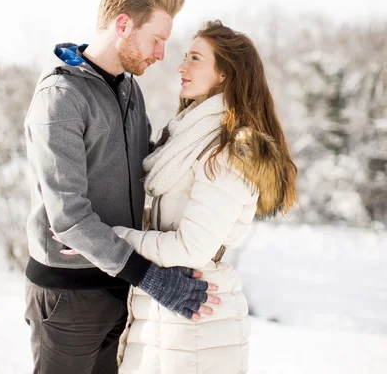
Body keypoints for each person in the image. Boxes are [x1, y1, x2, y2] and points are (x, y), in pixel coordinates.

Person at [59, 20, 298, 374]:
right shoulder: (185, 137)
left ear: (224, 75)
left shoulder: (228, 150)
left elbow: (191, 248)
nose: (181, 66)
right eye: (185, 56)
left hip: (197, 318)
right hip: (163, 313)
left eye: (195, 58)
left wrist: (105, 239)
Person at [24, 0, 219, 374]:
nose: (163, 54)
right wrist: (152, 279)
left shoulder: (128, 88)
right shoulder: (61, 98)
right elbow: (70, 218)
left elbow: (141, 168)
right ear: (123, 25)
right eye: (157, 39)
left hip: (119, 285)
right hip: (69, 295)